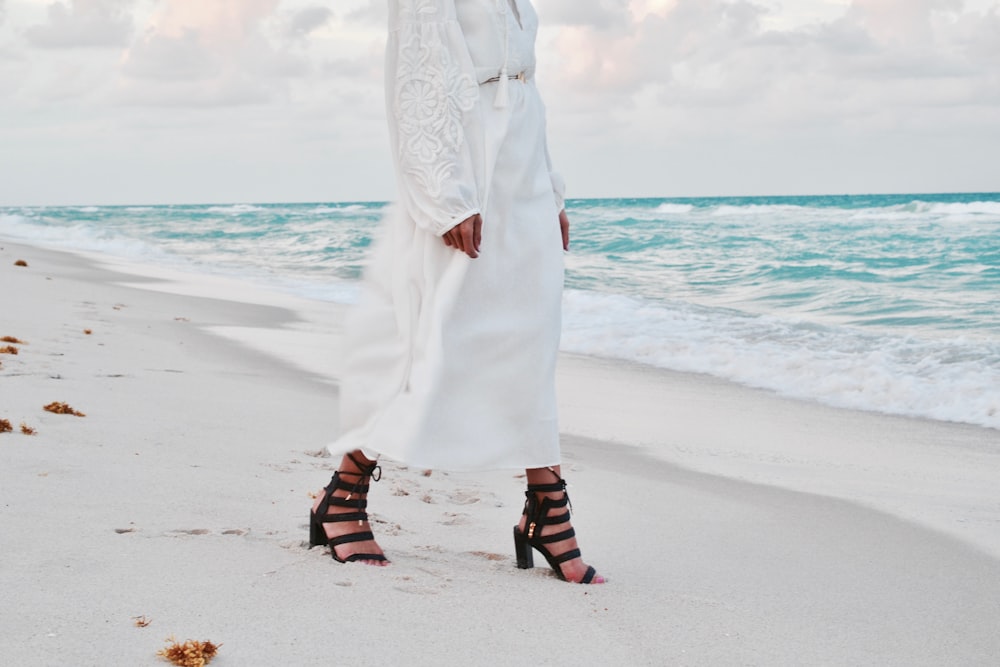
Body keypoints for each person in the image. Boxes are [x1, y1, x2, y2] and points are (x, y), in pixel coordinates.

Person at [309, 0, 603, 584]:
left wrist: (553, 189)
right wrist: (445, 193)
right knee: (435, 337)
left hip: (523, 173)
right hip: (467, 169)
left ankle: (547, 506)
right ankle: (343, 493)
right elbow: (415, 80)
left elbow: (525, 89)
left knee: (530, 342)